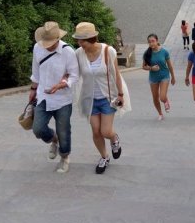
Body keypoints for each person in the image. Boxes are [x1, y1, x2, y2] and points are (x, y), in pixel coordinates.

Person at [74, 22, 129, 174]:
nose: (79, 43)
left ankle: (114, 139)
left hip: (107, 97)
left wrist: (121, 94)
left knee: (105, 131)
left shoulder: (107, 51)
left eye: (82, 40)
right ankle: (104, 157)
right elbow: (74, 74)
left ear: (91, 39)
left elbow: (116, 74)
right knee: (96, 131)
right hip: (89, 98)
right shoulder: (79, 53)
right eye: (78, 40)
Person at [30, 21, 79, 174]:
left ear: (58, 39)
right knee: (38, 129)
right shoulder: (37, 48)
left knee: (64, 130)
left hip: (62, 99)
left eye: (50, 43)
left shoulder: (68, 51)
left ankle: (65, 157)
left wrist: (63, 84)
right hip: (43, 96)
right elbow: (36, 71)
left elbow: (74, 75)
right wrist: (32, 89)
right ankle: (53, 139)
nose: (47, 46)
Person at [143, 33, 176, 120]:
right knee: (155, 97)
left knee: (162, 97)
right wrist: (151, 68)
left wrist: (173, 77)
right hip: (153, 78)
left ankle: (165, 101)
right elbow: (143, 66)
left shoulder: (164, 52)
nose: (151, 44)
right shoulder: (147, 53)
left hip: (164, 76)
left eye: (153, 41)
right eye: (149, 42)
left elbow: (170, 66)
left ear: (157, 41)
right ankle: (160, 113)